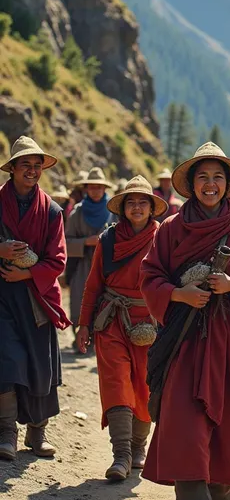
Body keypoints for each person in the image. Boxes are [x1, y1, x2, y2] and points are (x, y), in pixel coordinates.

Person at [141, 142, 230, 500]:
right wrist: (179, 294)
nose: (210, 184)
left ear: (227, 184)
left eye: (217, 177)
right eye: (203, 177)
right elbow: (150, 275)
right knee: (186, 430)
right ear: (192, 184)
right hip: (184, 345)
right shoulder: (170, 228)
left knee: (226, 435)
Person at [75, 176, 167, 481]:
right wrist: (84, 324)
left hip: (151, 322)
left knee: (144, 386)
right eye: (131, 202)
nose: (137, 207)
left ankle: (139, 447)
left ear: (152, 208)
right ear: (123, 207)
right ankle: (121, 455)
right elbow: (93, 285)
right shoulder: (108, 239)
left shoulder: (163, 239)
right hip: (112, 320)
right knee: (117, 383)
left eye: (143, 202)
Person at [0, 136, 69, 461]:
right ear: (11, 168)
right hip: (1, 295)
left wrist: (26, 274)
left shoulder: (52, 211)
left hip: (36, 297)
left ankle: (37, 434)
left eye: (37, 165)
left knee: (41, 366)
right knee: (8, 361)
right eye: (25, 164)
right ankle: (7, 434)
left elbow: (58, 260)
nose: (32, 170)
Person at [65, 167, 114, 337]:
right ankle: (80, 336)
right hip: (82, 266)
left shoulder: (113, 211)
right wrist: (86, 242)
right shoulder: (77, 212)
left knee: (104, 302)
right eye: (91, 187)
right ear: (86, 189)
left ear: (104, 189)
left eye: (98, 187)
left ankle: (100, 338)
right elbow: (65, 242)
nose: (95, 191)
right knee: (80, 300)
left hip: (106, 267)